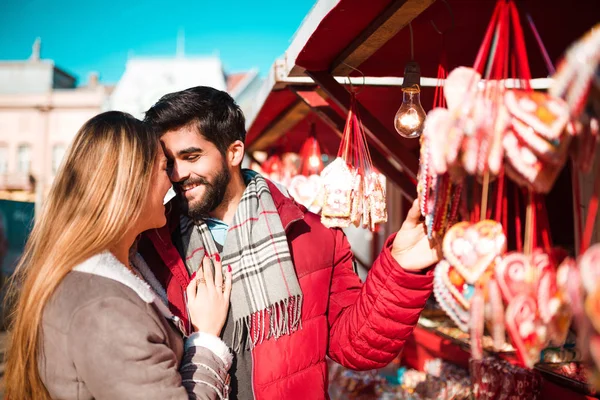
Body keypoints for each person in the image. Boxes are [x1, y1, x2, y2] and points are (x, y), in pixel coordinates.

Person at [142, 87, 440, 399]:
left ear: (233, 152)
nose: (179, 174)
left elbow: (357, 348)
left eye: (191, 156)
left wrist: (400, 269)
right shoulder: (152, 243)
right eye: (170, 162)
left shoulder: (313, 235)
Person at [5, 111, 234, 400]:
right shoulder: (106, 309)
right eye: (166, 167)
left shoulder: (116, 270)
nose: (174, 179)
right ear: (132, 182)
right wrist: (207, 340)